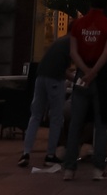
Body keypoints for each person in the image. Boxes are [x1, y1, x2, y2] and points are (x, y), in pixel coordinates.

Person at [62, 0, 107, 181]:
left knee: (75, 125)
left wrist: (84, 72)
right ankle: (98, 169)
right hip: (99, 79)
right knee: (101, 126)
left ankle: (69, 169)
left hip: (81, 77)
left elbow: (73, 52)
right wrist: (93, 72)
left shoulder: (78, 24)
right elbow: (106, 53)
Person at [20, 35, 74, 172]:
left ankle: (25, 153)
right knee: (56, 117)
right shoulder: (74, 43)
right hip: (55, 79)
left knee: (35, 116)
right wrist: (78, 79)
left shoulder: (60, 42)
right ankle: (50, 155)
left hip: (40, 77)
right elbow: (63, 70)